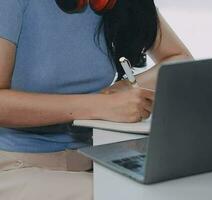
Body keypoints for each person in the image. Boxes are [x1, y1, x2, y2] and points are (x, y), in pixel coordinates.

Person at [0, 0, 192, 199]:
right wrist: (98, 105)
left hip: (93, 159)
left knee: (183, 185)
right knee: (130, 195)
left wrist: (122, 88)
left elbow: (180, 59)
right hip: (16, 165)